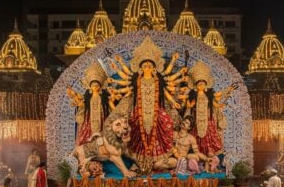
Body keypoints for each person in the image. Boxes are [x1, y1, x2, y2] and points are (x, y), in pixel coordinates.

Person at [109, 36, 186, 172]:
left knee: (167, 124)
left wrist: (174, 100)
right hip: (139, 111)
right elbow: (125, 82)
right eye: (144, 65)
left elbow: (168, 87)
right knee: (133, 130)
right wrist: (119, 64)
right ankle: (139, 162)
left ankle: (157, 161)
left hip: (157, 111)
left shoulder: (159, 79)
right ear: (140, 68)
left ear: (155, 68)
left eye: (150, 65)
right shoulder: (135, 79)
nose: (147, 67)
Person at [186, 61, 236, 155]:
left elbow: (215, 102)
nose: (201, 85)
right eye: (199, 84)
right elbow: (188, 105)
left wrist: (220, 103)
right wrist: (190, 105)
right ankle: (197, 153)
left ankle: (208, 153)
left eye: (203, 83)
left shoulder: (209, 95)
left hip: (207, 118)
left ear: (206, 85)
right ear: (195, 86)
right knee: (195, 134)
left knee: (209, 134)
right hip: (196, 118)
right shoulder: (193, 95)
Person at [66, 61, 112, 146]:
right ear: (90, 86)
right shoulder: (87, 97)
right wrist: (72, 94)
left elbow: (109, 105)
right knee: (88, 137)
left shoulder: (104, 97)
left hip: (102, 119)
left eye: (97, 84)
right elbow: (80, 99)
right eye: (93, 84)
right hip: (90, 120)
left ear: (100, 86)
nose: (95, 85)